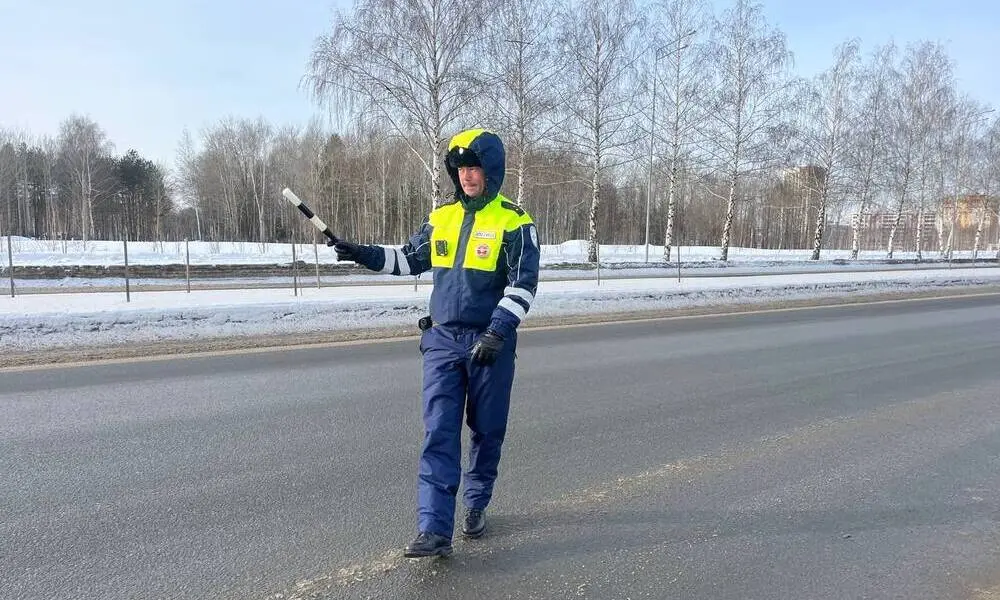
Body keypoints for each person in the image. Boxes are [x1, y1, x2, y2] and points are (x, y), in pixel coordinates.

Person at [328, 128, 540, 558]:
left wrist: (497, 331)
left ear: (491, 170)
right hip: (442, 339)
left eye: (475, 166)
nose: (467, 175)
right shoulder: (440, 218)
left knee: (486, 429)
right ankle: (434, 529)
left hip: (489, 342)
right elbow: (409, 258)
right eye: (461, 168)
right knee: (438, 432)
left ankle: (477, 502)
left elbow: (523, 284)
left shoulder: (515, 221)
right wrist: (361, 253)